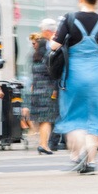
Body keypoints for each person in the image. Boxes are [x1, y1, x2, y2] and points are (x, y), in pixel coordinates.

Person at [51, 0, 98, 174]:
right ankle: (91, 162)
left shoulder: (69, 19)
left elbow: (54, 46)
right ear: (97, 0)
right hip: (95, 75)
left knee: (74, 117)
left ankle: (76, 156)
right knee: (94, 118)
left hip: (73, 75)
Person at [39, 18, 67, 151]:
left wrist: (56, 86)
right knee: (58, 112)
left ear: (46, 31)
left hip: (56, 83)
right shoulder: (44, 44)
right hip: (53, 83)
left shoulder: (55, 43)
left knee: (59, 112)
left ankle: (55, 141)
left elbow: (56, 65)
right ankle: (57, 141)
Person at [29, 35, 59, 155]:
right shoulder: (48, 57)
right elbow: (53, 74)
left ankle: (42, 143)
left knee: (41, 120)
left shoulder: (35, 58)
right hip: (47, 91)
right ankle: (44, 145)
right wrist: (55, 89)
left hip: (36, 91)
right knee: (47, 120)